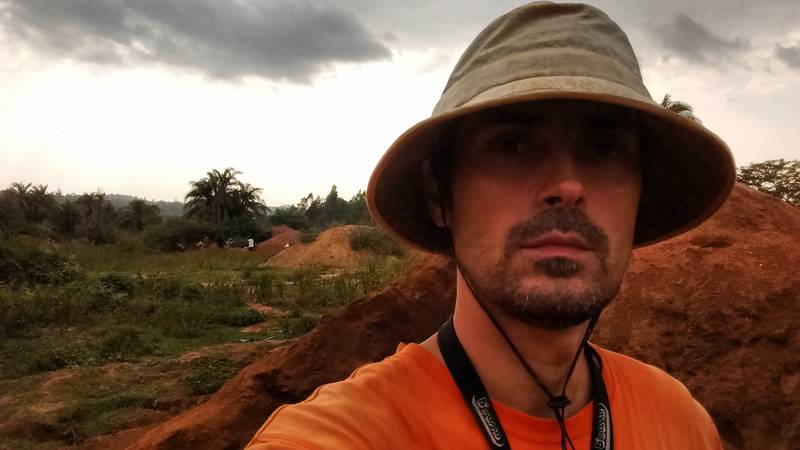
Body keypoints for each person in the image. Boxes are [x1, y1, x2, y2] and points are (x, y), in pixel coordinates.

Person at [246, 2, 735, 449]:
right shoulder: (344, 435)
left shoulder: (681, 422)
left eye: (603, 149)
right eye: (513, 146)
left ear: (639, 196)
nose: (566, 184)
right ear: (442, 194)